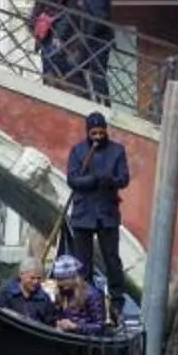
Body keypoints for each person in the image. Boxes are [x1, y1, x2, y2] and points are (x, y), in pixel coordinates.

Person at [63, 111, 131, 302]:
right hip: (83, 213)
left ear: (106, 131)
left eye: (101, 133)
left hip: (107, 213)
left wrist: (109, 180)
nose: (98, 137)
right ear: (88, 132)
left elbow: (124, 179)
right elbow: (73, 179)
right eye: (94, 134)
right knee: (82, 262)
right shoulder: (78, 151)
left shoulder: (117, 151)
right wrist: (93, 180)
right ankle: (84, 299)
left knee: (112, 259)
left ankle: (117, 299)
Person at [66, 0, 117, 104]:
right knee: (87, 71)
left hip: (97, 41)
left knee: (94, 73)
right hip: (94, 40)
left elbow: (100, 16)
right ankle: (94, 102)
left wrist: (88, 36)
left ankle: (101, 105)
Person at [29, 0, 76, 87]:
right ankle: (48, 89)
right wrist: (32, 21)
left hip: (60, 27)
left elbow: (70, 12)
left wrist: (60, 35)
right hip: (44, 27)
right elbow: (39, 2)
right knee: (45, 58)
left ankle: (61, 90)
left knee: (54, 57)